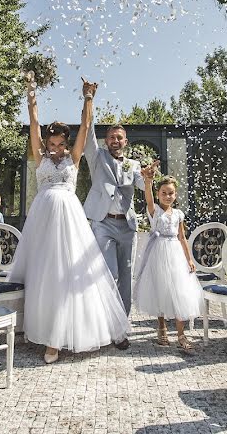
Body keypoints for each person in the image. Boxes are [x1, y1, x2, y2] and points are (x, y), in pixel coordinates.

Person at [8, 75, 130, 364]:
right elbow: (34, 125)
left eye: (60, 144)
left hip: (69, 219)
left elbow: (86, 127)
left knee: (68, 272)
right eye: (52, 144)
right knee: (44, 272)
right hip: (43, 219)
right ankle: (45, 332)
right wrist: (31, 94)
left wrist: (88, 98)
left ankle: (62, 337)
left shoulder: (72, 159)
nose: (55, 148)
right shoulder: (40, 158)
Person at [134, 166, 204, 353]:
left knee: (179, 290)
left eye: (171, 193)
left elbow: (182, 238)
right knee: (160, 288)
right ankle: (162, 326)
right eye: (164, 193)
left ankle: (181, 334)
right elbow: (147, 197)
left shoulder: (179, 214)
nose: (167, 196)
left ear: (176, 194)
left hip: (175, 253)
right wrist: (148, 181)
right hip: (158, 251)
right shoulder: (154, 210)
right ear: (158, 195)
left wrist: (189, 259)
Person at [83, 122, 146, 318]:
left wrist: (149, 178)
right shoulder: (97, 157)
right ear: (106, 140)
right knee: (110, 273)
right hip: (103, 223)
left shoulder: (133, 164)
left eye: (119, 137)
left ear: (125, 142)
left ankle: (122, 321)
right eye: (112, 137)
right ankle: (106, 318)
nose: (115, 140)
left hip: (127, 225)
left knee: (126, 276)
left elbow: (143, 185)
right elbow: (87, 137)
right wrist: (88, 101)